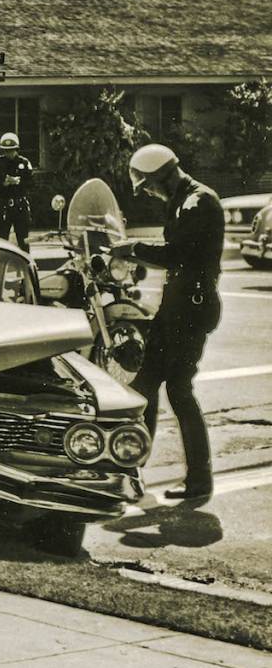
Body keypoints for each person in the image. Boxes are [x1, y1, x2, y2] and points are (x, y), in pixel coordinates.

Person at [111, 143, 224, 501]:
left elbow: (179, 254)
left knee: (175, 390)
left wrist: (133, 249)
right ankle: (134, 469)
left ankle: (197, 479)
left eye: (149, 185)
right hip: (178, 308)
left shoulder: (198, 202)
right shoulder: (183, 200)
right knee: (146, 386)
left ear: (164, 176)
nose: (148, 192)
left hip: (190, 311)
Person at [0, 131, 34, 251]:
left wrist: (19, 182)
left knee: (23, 239)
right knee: (2, 240)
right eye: (6, 150)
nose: (9, 153)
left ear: (16, 149)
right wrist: (3, 183)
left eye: (12, 150)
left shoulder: (24, 162)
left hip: (19, 205)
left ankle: (26, 265)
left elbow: (32, 183)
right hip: (3, 204)